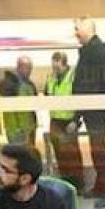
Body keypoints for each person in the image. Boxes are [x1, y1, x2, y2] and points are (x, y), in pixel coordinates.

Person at [73, 16, 105, 209]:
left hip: (95, 108)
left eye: (77, 28)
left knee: (99, 149)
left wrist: (80, 111)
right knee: (96, 148)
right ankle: (102, 187)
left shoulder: (97, 50)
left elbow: (93, 82)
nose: (75, 32)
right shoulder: (91, 50)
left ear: (87, 28)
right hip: (92, 107)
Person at [45, 51, 82, 192]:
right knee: (59, 153)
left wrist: (76, 120)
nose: (54, 68)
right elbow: (47, 95)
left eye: (57, 65)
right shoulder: (51, 77)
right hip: (55, 120)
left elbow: (79, 100)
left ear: (64, 63)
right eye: (53, 65)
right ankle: (65, 183)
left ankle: (77, 185)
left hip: (69, 120)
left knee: (72, 154)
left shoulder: (73, 77)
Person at [0, 55, 37, 146]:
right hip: (16, 128)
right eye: (27, 68)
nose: (30, 71)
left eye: (30, 68)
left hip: (29, 127)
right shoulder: (9, 83)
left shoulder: (28, 83)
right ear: (19, 67)